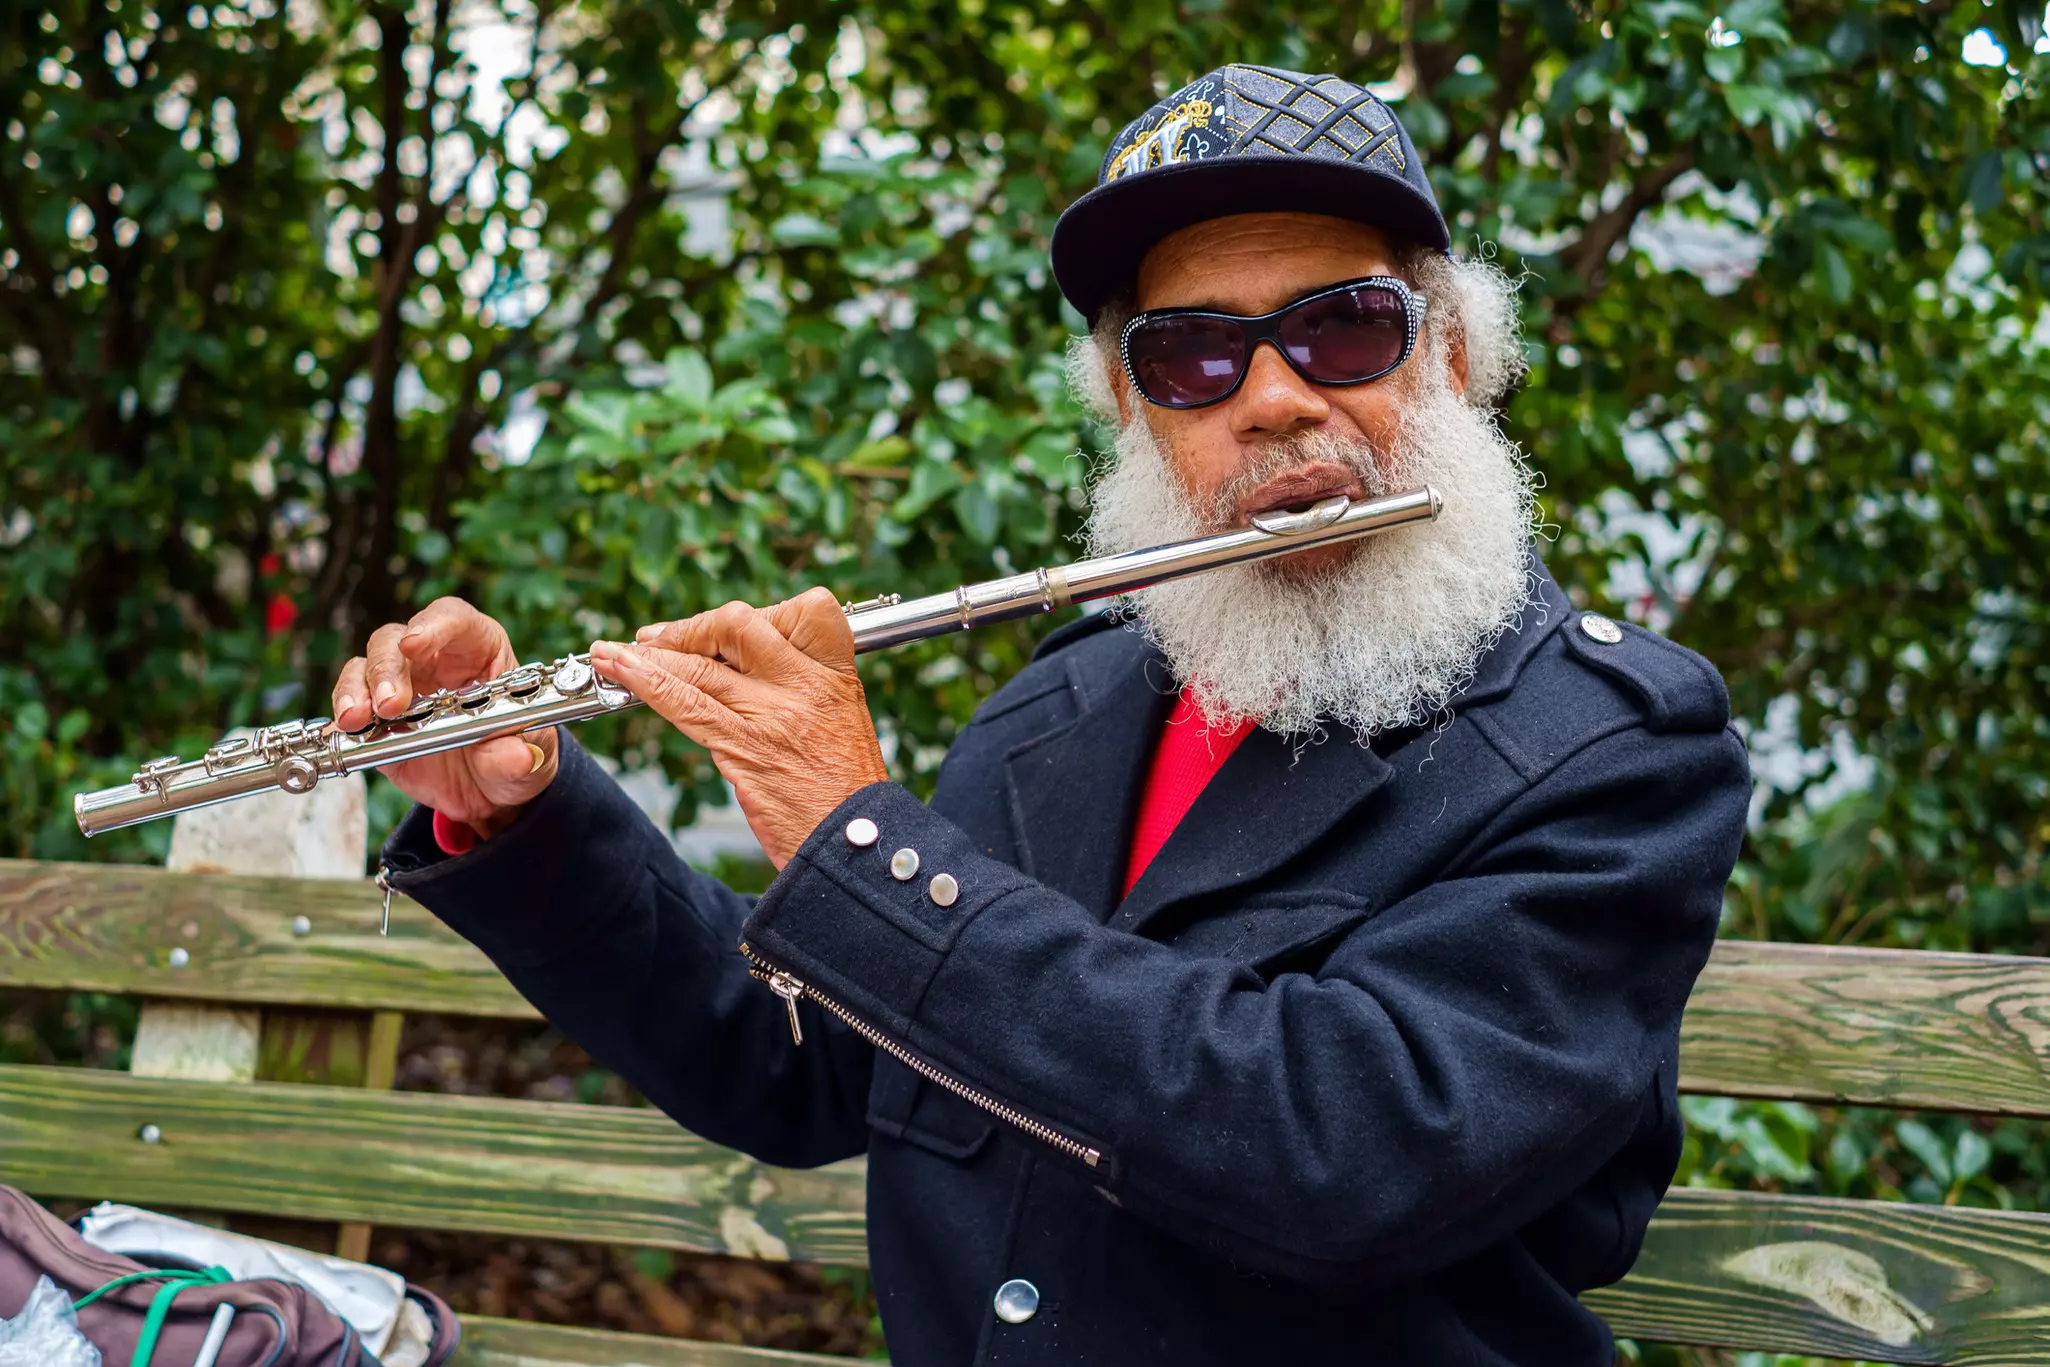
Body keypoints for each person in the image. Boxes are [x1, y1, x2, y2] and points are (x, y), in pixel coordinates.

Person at [346, 64, 1751, 1366]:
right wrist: (525, 812)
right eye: (1191, 356)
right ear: (1136, 411)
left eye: (1339, 326)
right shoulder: (1062, 708)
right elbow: (801, 1068)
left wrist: (863, 840)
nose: (1270, 398)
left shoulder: (1613, 741)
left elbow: (1343, 1150)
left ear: (1443, 358)